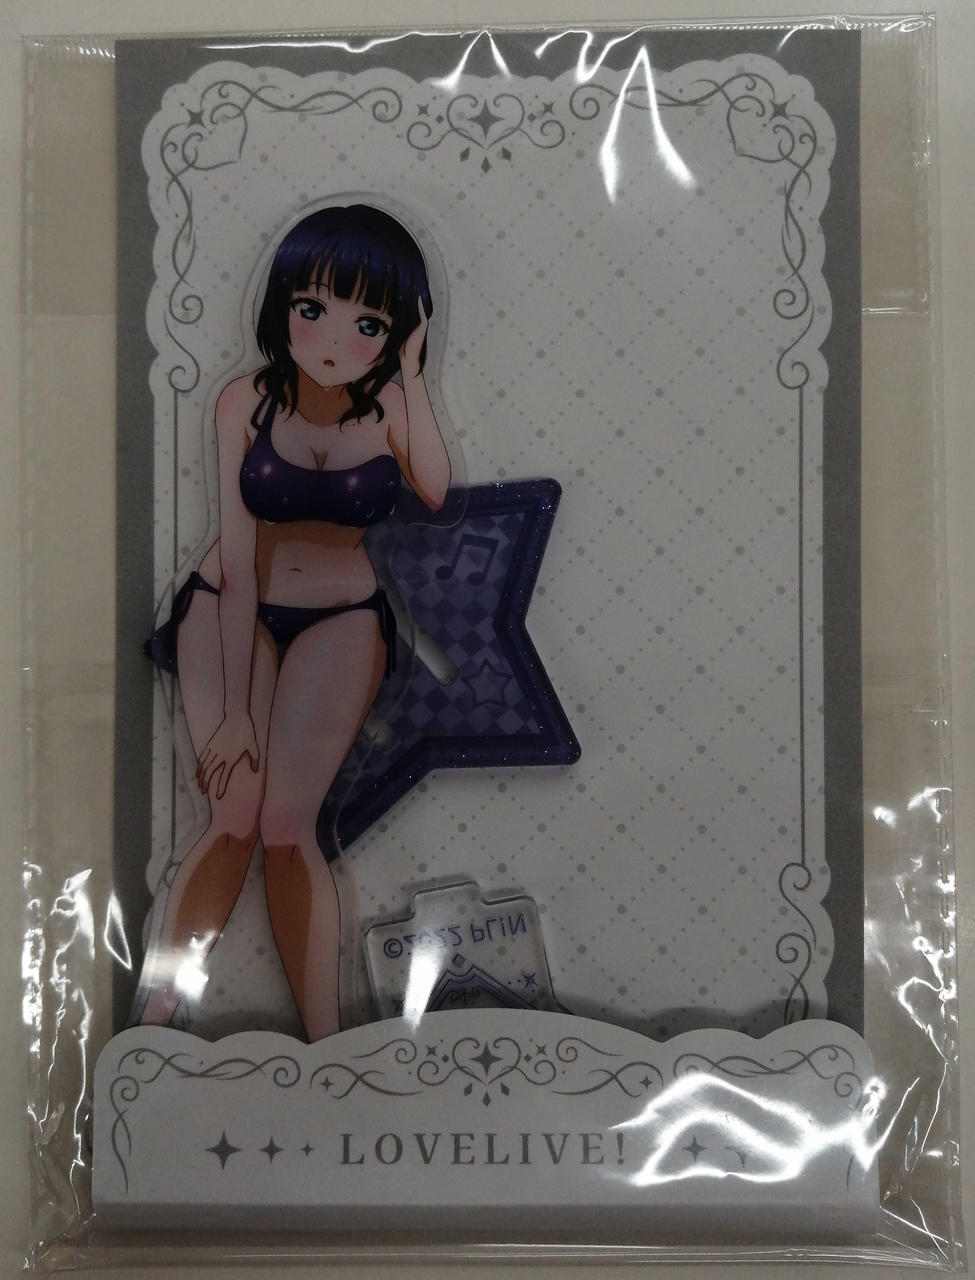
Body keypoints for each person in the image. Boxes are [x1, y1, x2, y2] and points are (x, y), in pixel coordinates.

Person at [138, 204, 451, 1040]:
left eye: (368, 323)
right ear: (281, 305)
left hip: (341, 617)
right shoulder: (244, 400)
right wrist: (237, 711)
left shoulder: (391, 407)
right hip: (226, 607)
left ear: (396, 332)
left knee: (286, 829)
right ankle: (155, 1025)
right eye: (311, 308)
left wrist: (414, 375)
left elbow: (434, 488)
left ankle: (324, 1044)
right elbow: (240, 558)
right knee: (232, 817)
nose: (333, 340)